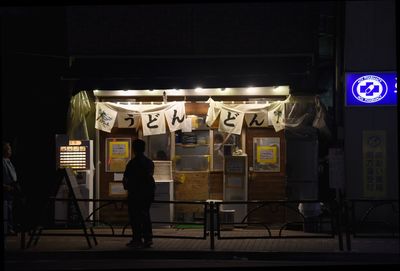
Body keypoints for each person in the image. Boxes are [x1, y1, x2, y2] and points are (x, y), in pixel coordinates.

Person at [123, 139, 156, 248]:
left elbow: (126, 179)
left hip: (135, 193)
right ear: (144, 149)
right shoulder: (149, 162)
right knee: (145, 215)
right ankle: (148, 238)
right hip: (147, 193)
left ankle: (137, 239)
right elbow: (149, 177)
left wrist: (127, 188)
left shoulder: (132, 163)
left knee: (135, 217)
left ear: (134, 149)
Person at [2, 141, 21, 234]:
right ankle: (7, 229)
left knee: (10, 209)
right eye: (9, 149)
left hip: (11, 189)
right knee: (6, 210)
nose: (11, 151)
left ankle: (10, 228)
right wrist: (5, 186)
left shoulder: (8, 161)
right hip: (5, 189)